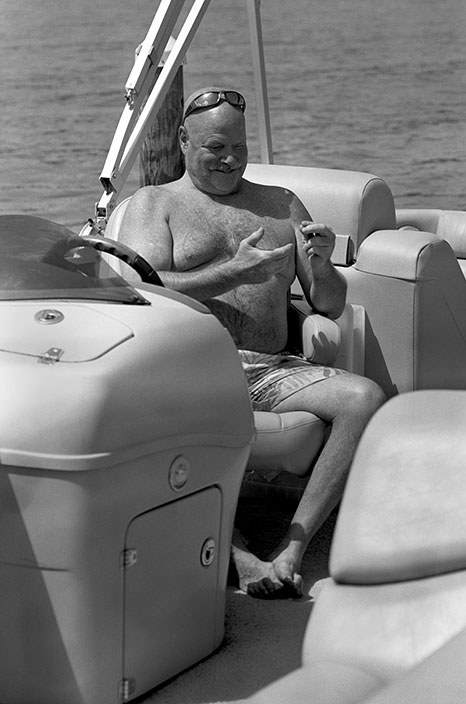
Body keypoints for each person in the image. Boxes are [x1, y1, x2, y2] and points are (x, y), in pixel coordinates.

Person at [116, 87, 386, 598]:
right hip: (193, 365)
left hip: (270, 367)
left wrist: (324, 263)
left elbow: (328, 304)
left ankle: (291, 550)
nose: (230, 158)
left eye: (239, 146)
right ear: (182, 140)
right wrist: (228, 274)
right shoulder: (157, 204)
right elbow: (141, 291)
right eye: (216, 147)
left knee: (365, 398)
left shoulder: (279, 204)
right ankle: (241, 557)